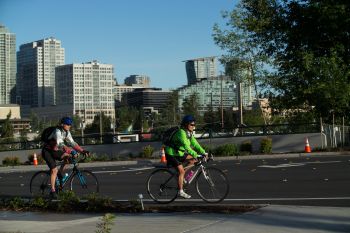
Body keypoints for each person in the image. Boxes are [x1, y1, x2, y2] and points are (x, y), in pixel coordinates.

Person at [42, 117, 89, 198]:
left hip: (55, 150)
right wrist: (71, 151)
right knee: (54, 170)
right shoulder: (57, 131)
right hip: (47, 151)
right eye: (67, 124)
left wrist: (82, 151)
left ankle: (60, 173)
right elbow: (60, 144)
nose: (69, 126)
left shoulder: (67, 132)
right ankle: (53, 191)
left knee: (68, 158)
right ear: (62, 124)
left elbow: (73, 143)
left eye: (70, 124)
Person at [164, 115, 207, 199]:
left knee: (194, 161)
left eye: (194, 125)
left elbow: (195, 144)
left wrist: (203, 152)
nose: (193, 126)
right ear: (186, 125)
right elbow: (186, 146)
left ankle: (183, 178)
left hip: (179, 153)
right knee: (181, 172)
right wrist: (196, 154)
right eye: (192, 125)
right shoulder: (181, 133)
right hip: (171, 154)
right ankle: (180, 191)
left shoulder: (189, 133)